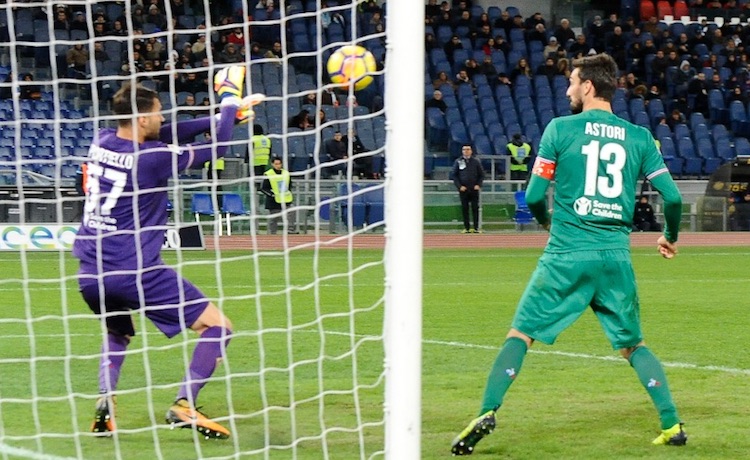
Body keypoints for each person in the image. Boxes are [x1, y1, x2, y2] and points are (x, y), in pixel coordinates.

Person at [450, 53, 686, 455]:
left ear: (588, 86)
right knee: (633, 345)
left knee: (520, 334)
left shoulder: (561, 129)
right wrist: (668, 235)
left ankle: (487, 410)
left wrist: (545, 222)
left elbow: (535, 195)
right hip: (615, 257)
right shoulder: (640, 137)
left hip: (567, 253)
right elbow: (674, 197)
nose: (567, 89)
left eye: (572, 82)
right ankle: (672, 424)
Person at [73, 66, 253, 440]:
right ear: (142, 117)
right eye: (157, 112)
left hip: (90, 274)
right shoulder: (151, 160)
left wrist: (224, 118)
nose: (162, 118)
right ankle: (183, 403)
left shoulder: (102, 141)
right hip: (135, 270)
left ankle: (105, 402)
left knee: (118, 332)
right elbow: (217, 148)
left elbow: (166, 133)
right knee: (218, 326)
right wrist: (229, 99)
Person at [452, 144, 484, 233]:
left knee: (475, 208)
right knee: (464, 208)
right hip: (463, 189)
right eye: (464, 149)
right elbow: (454, 175)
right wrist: (459, 186)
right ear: (462, 151)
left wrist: (478, 185)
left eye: (468, 149)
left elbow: (481, 175)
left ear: (471, 151)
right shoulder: (458, 161)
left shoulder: (476, 161)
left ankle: (476, 227)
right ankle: (466, 228)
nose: (466, 151)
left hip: (474, 189)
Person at [260, 156, 295, 234]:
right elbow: (263, 188)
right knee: (274, 220)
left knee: (291, 213)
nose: (278, 166)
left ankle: (290, 230)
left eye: (279, 164)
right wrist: (271, 195)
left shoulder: (286, 173)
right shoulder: (269, 174)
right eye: (276, 164)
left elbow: (289, 185)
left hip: (286, 199)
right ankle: (272, 235)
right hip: (274, 201)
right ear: (272, 164)